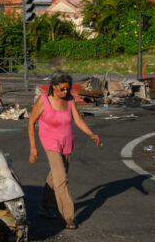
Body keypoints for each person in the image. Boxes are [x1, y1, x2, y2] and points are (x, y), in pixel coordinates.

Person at [28, 70, 102, 230]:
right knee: (61, 179)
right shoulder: (43, 101)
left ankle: (45, 207)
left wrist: (91, 134)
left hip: (67, 142)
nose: (66, 91)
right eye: (62, 88)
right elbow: (31, 123)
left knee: (55, 177)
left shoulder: (69, 100)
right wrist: (33, 148)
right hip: (50, 142)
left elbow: (78, 120)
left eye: (67, 88)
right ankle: (68, 217)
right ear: (53, 87)